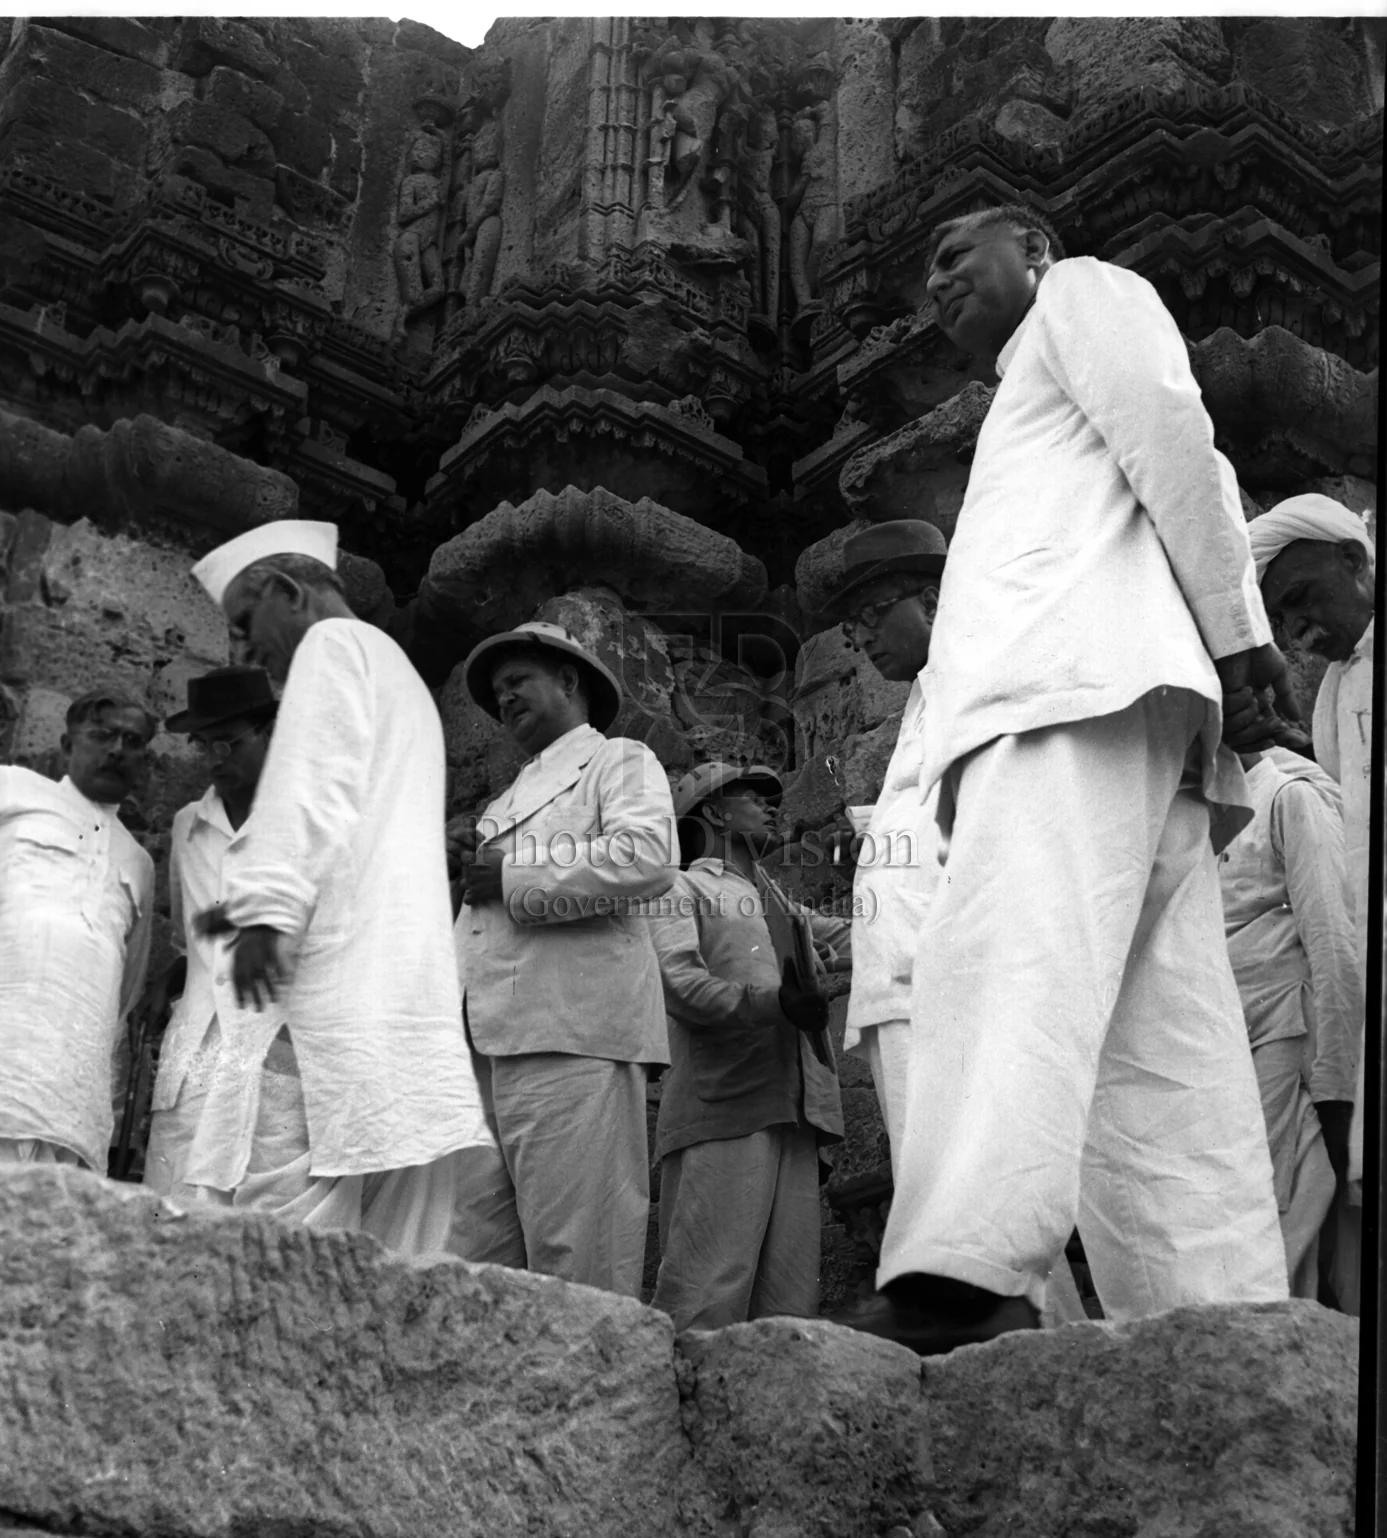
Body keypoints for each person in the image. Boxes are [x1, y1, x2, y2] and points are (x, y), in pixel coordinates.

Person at [845, 204, 1291, 1353]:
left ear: (1031, 248)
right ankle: (1218, 1315)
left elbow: (1169, 428)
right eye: (924, 274)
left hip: (1067, 683)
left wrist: (1242, 638)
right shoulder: (1024, 383)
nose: (934, 284)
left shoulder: (1083, 291)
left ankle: (965, 1264)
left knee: (1008, 950)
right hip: (1116, 698)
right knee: (1161, 1046)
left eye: (954, 256)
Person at [187, 520, 495, 1256]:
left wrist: (264, 912)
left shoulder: (330, 647)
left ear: (289, 592)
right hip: (403, 982)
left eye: (243, 624)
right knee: (386, 1228)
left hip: (341, 977)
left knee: (270, 1215)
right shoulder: (395, 670)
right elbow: (363, 824)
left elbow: (311, 785)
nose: (242, 650)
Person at [449, 620, 677, 1296]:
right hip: (489, 1040)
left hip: (573, 1034)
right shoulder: (503, 800)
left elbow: (647, 858)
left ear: (569, 682)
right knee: (475, 1258)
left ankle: (603, 1398)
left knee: (579, 1256)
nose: (505, 700)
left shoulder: (618, 760)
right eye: (497, 694)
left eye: (517, 682)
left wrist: (511, 876)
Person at [647, 762, 849, 1330]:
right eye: (751, 796)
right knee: (708, 1294)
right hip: (723, 1108)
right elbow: (681, 986)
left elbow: (863, 937)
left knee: (789, 1312)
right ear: (713, 812)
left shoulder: (777, 901)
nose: (770, 804)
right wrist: (777, 1005)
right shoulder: (678, 886)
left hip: (797, 1113)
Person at [1248, 492, 1375, 1313]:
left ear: (1355, 562)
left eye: (1301, 602)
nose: (1296, 636)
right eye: (1280, 620)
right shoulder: (1333, 689)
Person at [822, 519, 946, 1169]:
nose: (860, 637)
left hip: (946, 978)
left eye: (870, 613)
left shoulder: (980, 682)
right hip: (901, 979)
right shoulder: (923, 703)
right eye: (850, 628)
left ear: (931, 601)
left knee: (959, 1196)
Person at [1219, 745, 1361, 1297]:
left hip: (1286, 1036)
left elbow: (1333, 942)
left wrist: (1335, 1084)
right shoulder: (1192, 806)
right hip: (1224, 1042)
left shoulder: (1288, 798)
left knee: (1280, 1203)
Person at [136, 666, 280, 1208]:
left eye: (231, 742)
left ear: (270, 734)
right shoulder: (185, 826)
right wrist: (176, 972)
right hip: (196, 1045)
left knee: (261, 1225)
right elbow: (189, 934)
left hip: (272, 1041)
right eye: (205, 744)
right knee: (171, 1209)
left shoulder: (309, 820)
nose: (217, 758)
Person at [0, 687, 156, 1171]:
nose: (116, 749)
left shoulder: (140, 862)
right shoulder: (11, 789)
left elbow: (125, 988)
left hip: (70, 1098)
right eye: (102, 734)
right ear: (67, 746)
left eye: (132, 741)